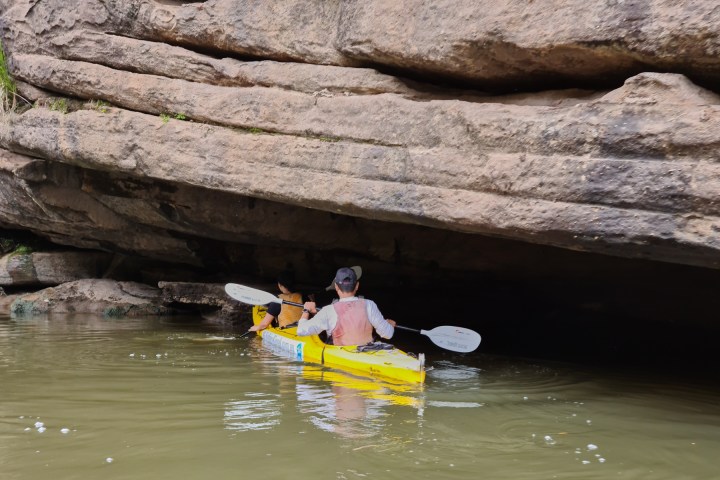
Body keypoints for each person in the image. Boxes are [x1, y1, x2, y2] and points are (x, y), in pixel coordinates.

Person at [297, 267, 395, 346]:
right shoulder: (370, 305)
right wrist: (388, 325)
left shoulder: (328, 311)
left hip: (341, 361)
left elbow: (301, 330)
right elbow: (388, 334)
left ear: (336, 287)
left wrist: (306, 310)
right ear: (357, 286)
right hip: (366, 357)